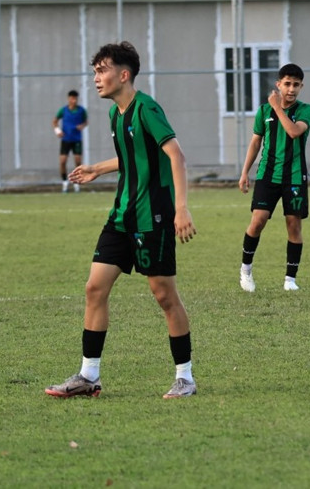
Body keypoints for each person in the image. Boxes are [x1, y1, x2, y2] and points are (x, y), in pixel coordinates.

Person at [45, 41, 198, 399]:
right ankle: (88, 376)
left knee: (164, 296)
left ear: (123, 75)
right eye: (95, 71)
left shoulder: (147, 108)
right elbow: (131, 157)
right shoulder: (116, 114)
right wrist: (98, 168)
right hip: (121, 217)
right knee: (94, 288)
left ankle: (185, 378)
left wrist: (181, 208)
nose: (96, 78)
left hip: (152, 218)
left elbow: (175, 155)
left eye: (102, 70)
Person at [238, 64, 310, 292]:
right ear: (278, 84)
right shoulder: (264, 111)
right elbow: (255, 142)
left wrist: (277, 107)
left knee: (294, 226)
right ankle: (246, 270)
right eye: (287, 84)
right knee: (258, 221)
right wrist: (245, 172)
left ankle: (290, 280)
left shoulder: (306, 110)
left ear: (301, 86)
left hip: (294, 178)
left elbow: (293, 131)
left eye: (296, 85)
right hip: (267, 175)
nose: (291, 89)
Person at [52, 90, 88, 193]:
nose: (74, 100)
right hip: (66, 139)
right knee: (63, 161)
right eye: (72, 98)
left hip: (77, 139)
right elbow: (54, 121)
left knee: (77, 161)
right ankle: (64, 182)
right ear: (69, 99)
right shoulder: (63, 110)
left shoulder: (81, 110)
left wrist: (82, 125)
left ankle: (77, 183)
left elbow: (85, 121)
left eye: (76, 98)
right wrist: (57, 130)